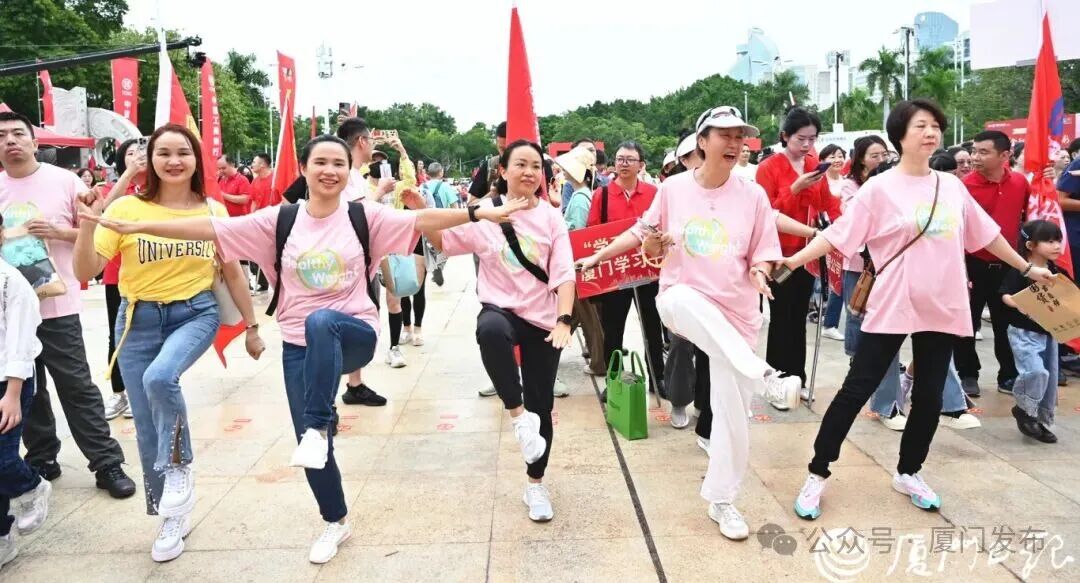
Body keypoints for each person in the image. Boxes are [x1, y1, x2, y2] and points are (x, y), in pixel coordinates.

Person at [87, 134, 525, 564]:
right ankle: (335, 520)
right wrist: (138, 226)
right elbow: (210, 227)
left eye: (338, 164)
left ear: (349, 171)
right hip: (300, 348)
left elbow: (423, 220)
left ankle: (318, 426)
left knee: (321, 326)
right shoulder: (278, 221)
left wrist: (480, 211)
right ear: (304, 169)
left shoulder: (365, 216)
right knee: (311, 443)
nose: (330, 171)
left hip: (353, 335)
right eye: (321, 162)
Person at [784, 99, 1052, 521]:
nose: (931, 133)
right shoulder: (879, 188)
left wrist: (1026, 267)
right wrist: (792, 262)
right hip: (894, 301)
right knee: (857, 388)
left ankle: (909, 471)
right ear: (900, 135)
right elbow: (838, 235)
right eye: (920, 126)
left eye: (935, 126)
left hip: (943, 302)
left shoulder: (952, 187)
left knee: (929, 395)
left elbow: (987, 235)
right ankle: (818, 472)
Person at [577, 105, 801, 540]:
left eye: (739, 137)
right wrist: (598, 257)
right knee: (680, 298)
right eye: (724, 135)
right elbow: (641, 234)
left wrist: (759, 272)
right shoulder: (674, 189)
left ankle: (723, 501)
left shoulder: (753, 195)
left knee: (732, 416)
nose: (734, 144)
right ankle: (765, 377)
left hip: (736, 315)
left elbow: (763, 251)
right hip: (683, 302)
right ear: (702, 141)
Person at [73, 123, 264, 563]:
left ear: (197, 160)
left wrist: (252, 327)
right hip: (137, 320)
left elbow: (233, 271)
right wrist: (85, 224)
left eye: (183, 152)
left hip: (195, 313)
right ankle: (170, 516)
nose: (174, 161)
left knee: (161, 378)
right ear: (150, 160)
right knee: (146, 424)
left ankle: (179, 467)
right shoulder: (127, 208)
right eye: (164, 153)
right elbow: (86, 269)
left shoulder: (213, 210)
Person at [429, 139, 575, 523]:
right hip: (502, 310)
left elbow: (564, 274)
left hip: (543, 319)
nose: (529, 172)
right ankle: (517, 416)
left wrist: (564, 319)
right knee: (490, 329)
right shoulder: (487, 215)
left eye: (536, 166)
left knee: (542, 404)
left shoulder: (551, 218)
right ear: (503, 170)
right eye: (521, 164)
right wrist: (420, 211)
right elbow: (443, 240)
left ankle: (535, 484)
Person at [0, 110, 135, 497]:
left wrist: (58, 232)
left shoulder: (65, 181)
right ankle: (42, 457)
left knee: (75, 386)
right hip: (9, 313)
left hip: (57, 307)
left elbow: (98, 230)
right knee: (29, 388)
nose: (10, 141)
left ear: (34, 142)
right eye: (1, 136)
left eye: (17, 134)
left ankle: (106, 462)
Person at [757, 107, 840, 400]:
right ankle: (777, 378)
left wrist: (838, 227)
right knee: (782, 315)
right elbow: (765, 211)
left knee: (799, 316)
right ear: (785, 136)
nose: (806, 145)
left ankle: (797, 377)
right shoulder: (769, 167)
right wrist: (794, 188)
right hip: (779, 253)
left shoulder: (815, 165)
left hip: (808, 253)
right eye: (800, 139)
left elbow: (828, 204)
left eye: (812, 139)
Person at [587, 141, 665, 398]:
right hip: (615, 274)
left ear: (641, 165)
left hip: (648, 272)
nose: (624, 164)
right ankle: (614, 381)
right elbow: (592, 234)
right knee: (613, 329)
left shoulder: (654, 193)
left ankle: (658, 377)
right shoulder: (602, 195)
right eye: (620, 159)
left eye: (630, 159)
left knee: (652, 326)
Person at [955, 130, 1030, 398]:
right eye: (974, 151)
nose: (975, 157)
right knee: (967, 322)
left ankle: (1008, 375)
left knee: (1006, 323)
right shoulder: (964, 186)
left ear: (1005, 155)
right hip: (972, 263)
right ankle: (967, 373)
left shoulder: (1020, 183)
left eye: (983, 152)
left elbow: (1026, 216)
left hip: (1008, 266)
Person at [0, 210, 50, 571]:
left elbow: (20, 339)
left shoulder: (11, 281)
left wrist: (13, 393)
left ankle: (32, 486)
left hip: (10, 381)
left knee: (3, 460)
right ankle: (3, 537)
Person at [336, 118, 394, 407]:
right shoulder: (347, 175)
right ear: (361, 141)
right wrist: (380, 191)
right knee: (350, 321)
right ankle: (333, 389)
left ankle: (355, 383)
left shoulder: (355, 175)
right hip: (349, 262)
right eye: (370, 140)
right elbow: (356, 212)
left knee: (361, 318)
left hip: (362, 259)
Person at [99, 137, 148, 420]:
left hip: (149, 274)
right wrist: (129, 174)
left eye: (141, 152)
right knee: (116, 335)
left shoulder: (158, 190)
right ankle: (119, 393)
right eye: (130, 153)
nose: (137, 156)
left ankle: (143, 391)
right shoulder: (114, 188)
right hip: (116, 275)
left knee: (148, 333)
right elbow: (105, 211)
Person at [1000, 220, 1063, 443]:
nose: (1057, 246)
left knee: (1050, 379)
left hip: (1049, 333)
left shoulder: (1056, 271)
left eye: (1058, 241)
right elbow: (1005, 294)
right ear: (1030, 245)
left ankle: (1040, 420)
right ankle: (1024, 409)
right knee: (1036, 372)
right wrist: (1019, 303)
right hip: (1023, 332)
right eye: (1049, 241)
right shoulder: (1020, 269)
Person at [817, 144, 847, 341]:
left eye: (840, 156)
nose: (837, 160)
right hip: (829, 235)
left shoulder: (847, 181)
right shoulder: (820, 181)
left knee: (839, 278)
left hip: (847, 235)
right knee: (835, 279)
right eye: (832, 156)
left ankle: (829, 321)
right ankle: (828, 321)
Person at [467, 122, 507, 204]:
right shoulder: (490, 166)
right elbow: (471, 205)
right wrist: (491, 195)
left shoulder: (530, 168)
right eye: (502, 149)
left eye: (510, 149)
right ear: (496, 144)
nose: (506, 154)